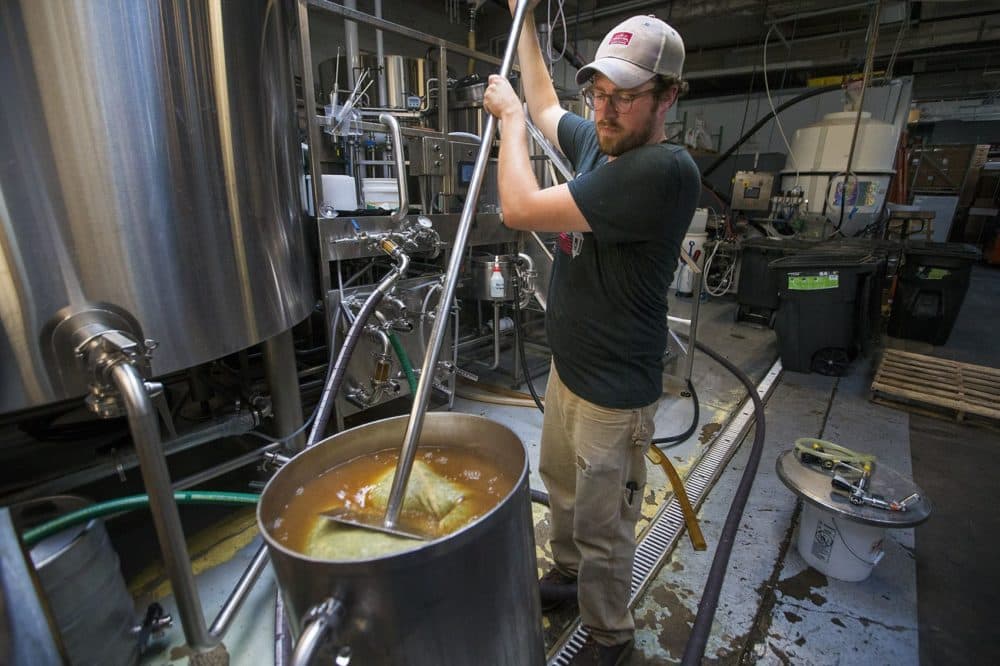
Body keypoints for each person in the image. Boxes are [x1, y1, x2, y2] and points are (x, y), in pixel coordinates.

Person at [483, 5, 700, 665]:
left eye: (625, 98)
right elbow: (547, 98)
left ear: (668, 97)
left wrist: (510, 123)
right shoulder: (601, 144)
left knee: (606, 527)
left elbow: (519, 208)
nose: (604, 111)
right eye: (599, 94)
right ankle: (570, 573)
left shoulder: (661, 171)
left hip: (614, 392)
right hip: (572, 370)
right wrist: (522, 25)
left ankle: (610, 636)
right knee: (565, 486)